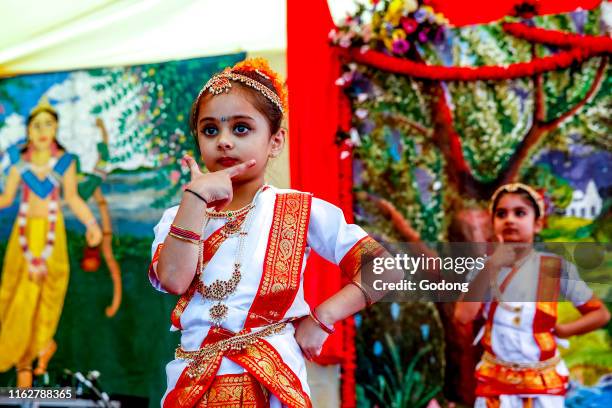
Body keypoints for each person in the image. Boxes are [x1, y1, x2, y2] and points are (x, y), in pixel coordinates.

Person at [149, 58, 390, 407]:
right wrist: (196, 198)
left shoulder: (300, 210)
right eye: (210, 130)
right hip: (193, 385)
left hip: (274, 384)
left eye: (241, 128)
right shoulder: (179, 215)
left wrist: (323, 318)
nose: (225, 142)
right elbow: (172, 279)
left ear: (275, 141)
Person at [455, 183, 610, 408]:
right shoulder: (484, 269)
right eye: (501, 214)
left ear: (537, 224)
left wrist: (565, 330)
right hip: (495, 385)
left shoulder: (555, 268)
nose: (510, 220)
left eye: (520, 213)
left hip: (542, 385)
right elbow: (463, 316)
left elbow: (600, 314)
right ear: (494, 224)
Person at [0, 97, 103, 387]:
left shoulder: (65, 163)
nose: (43, 130)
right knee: (20, 297)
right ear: (29, 131)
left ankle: (41, 346)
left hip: (51, 236)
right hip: (23, 240)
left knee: (49, 294)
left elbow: (71, 198)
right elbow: (7, 199)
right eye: (37, 125)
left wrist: (91, 223)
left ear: (56, 128)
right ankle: (23, 363)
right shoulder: (20, 166)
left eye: (49, 124)